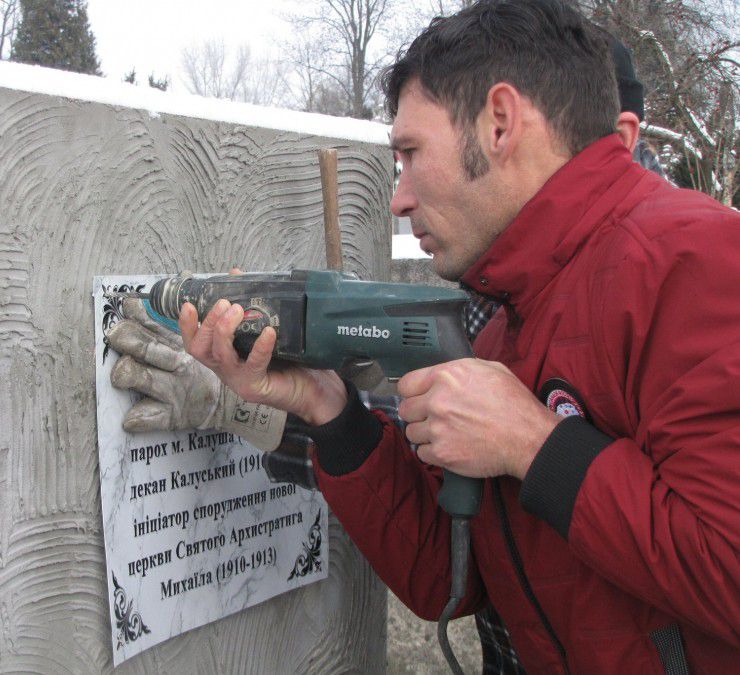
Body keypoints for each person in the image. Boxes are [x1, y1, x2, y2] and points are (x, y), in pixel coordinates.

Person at [168, 0, 740, 672]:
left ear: (499, 122)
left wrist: (535, 444)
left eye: (411, 154)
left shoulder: (699, 263)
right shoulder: (505, 329)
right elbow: (449, 576)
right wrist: (329, 409)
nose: (399, 198)